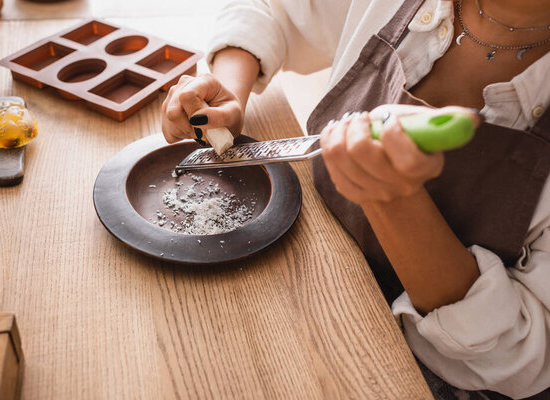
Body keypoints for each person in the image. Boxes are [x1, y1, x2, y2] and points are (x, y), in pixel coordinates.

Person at [160, 0, 550, 398]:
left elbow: (521, 362)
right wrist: (228, 90)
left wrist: (395, 202)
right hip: (305, 279)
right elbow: (273, 9)